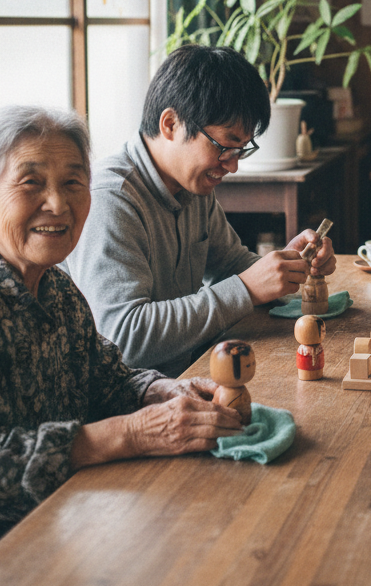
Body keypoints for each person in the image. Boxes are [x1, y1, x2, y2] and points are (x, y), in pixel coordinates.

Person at [0, 105, 245, 586]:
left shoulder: (56, 288)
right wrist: (131, 433)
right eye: (31, 183)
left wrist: (163, 390)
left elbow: (107, 379)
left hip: (64, 519)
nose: (58, 203)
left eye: (73, 183)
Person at [65, 45, 335, 376]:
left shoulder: (191, 185)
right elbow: (123, 338)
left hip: (187, 372)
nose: (232, 166)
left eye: (241, 150)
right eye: (224, 146)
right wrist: (247, 288)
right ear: (170, 124)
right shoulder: (111, 200)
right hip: (131, 394)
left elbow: (230, 265)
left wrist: (289, 265)